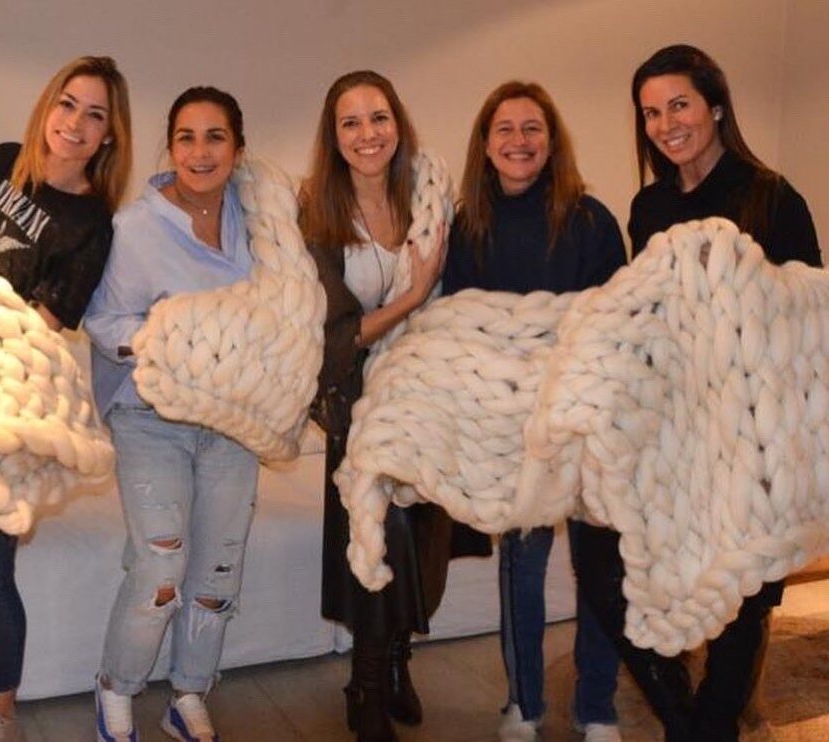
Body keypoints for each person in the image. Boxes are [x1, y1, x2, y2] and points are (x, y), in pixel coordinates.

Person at [574, 44, 821, 742]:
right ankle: (687, 722)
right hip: (674, 428)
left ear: (714, 106)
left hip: (755, 432)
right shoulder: (649, 206)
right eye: (650, 113)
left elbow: (809, 321)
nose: (665, 124)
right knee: (599, 556)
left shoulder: (771, 196)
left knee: (742, 601)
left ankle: (708, 728)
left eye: (678, 104)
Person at [300, 70, 484, 742]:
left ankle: (399, 662)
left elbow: (462, 296)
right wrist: (412, 295)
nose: (367, 134)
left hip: (427, 398)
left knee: (422, 541)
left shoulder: (429, 199)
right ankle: (368, 685)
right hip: (358, 406)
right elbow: (334, 333)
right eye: (350, 123)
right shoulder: (317, 216)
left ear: (397, 125)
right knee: (375, 539)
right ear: (334, 137)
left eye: (378, 118)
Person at [441, 81, 626, 742]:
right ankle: (522, 703)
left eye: (532, 129)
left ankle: (598, 707)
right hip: (514, 422)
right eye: (505, 129)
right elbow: (461, 325)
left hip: (589, 419)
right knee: (521, 567)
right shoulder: (467, 224)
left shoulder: (592, 220)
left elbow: (616, 323)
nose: (519, 141)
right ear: (486, 144)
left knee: (599, 570)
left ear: (551, 141)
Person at [0, 55, 131, 741]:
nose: (76, 124)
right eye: (68, 104)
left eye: (95, 115)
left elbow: (45, 326)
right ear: (47, 106)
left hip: (1, 403)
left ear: (109, 134)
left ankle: (1, 710)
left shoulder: (94, 222)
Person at [84, 86, 256, 742]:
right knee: (160, 567)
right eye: (186, 137)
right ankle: (116, 689)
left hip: (233, 419)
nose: (200, 151)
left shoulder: (258, 220)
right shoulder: (136, 227)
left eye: (215, 136)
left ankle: (188, 693)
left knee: (218, 572)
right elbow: (103, 322)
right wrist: (175, 341)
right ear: (170, 147)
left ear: (238, 148)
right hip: (150, 417)